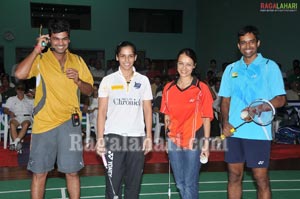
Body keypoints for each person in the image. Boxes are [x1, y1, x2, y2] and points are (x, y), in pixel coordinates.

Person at [15, 18, 94, 199]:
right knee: (39, 173)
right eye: (56, 39)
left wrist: (78, 81)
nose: (61, 43)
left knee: (73, 172)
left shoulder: (77, 60)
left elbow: (89, 90)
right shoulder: (41, 59)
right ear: (49, 39)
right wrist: (37, 49)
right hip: (45, 123)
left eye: (64, 39)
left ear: (69, 40)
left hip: (70, 124)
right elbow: (19, 74)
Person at [219, 25, 286, 199]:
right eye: (243, 43)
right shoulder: (231, 69)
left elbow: (280, 99)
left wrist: (256, 109)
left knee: (260, 178)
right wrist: (224, 123)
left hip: (259, 132)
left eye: (251, 42)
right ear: (238, 46)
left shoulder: (269, 66)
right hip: (234, 131)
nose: (247, 46)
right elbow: (225, 100)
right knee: (234, 176)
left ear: (258, 43)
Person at [96, 41, 153, 199]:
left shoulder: (143, 81)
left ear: (135, 57)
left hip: (136, 138)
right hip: (114, 137)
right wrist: (100, 139)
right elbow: (101, 111)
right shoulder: (108, 80)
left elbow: (147, 110)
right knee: (113, 187)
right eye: (122, 56)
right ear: (117, 57)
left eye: (130, 56)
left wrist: (148, 137)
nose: (126, 60)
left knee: (133, 186)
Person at [160, 48, 214, 199]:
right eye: (181, 64)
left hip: (194, 140)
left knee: (190, 184)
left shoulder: (201, 88)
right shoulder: (168, 88)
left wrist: (206, 145)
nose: (184, 68)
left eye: (188, 64)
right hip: (173, 141)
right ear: (176, 65)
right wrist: (167, 140)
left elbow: (206, 118)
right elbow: (167, 117)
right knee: (180, 184)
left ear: (194, 66)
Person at [3, 82, 34, 152]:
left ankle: (15, 143)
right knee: (12, 124)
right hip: (15, 117)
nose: (20, 90)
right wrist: (9, 112)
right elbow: (5, 109)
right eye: (18, 88)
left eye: (22, 89)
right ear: (16, 90)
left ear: (24, 90)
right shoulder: (11, 99)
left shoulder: (30, 99)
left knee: (25, 124)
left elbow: (37, 108)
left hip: (27, 117)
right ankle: (17, 143)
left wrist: (34, 96)